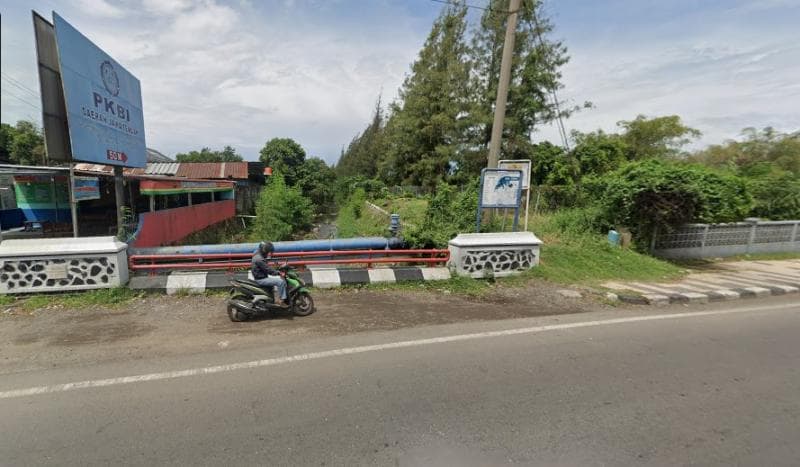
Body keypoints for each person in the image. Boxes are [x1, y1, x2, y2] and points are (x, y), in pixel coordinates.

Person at [251, 241, 289, 307]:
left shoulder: (256, 254)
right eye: (268, 252)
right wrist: (278, 273)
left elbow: (266, 266)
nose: (269, 253)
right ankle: (281, 301)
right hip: (261, 279)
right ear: (264, 250)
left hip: (260, 277)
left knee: (275, 282)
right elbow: (268, 270)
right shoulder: (259, 259)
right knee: (280, 282)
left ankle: (272, 300)